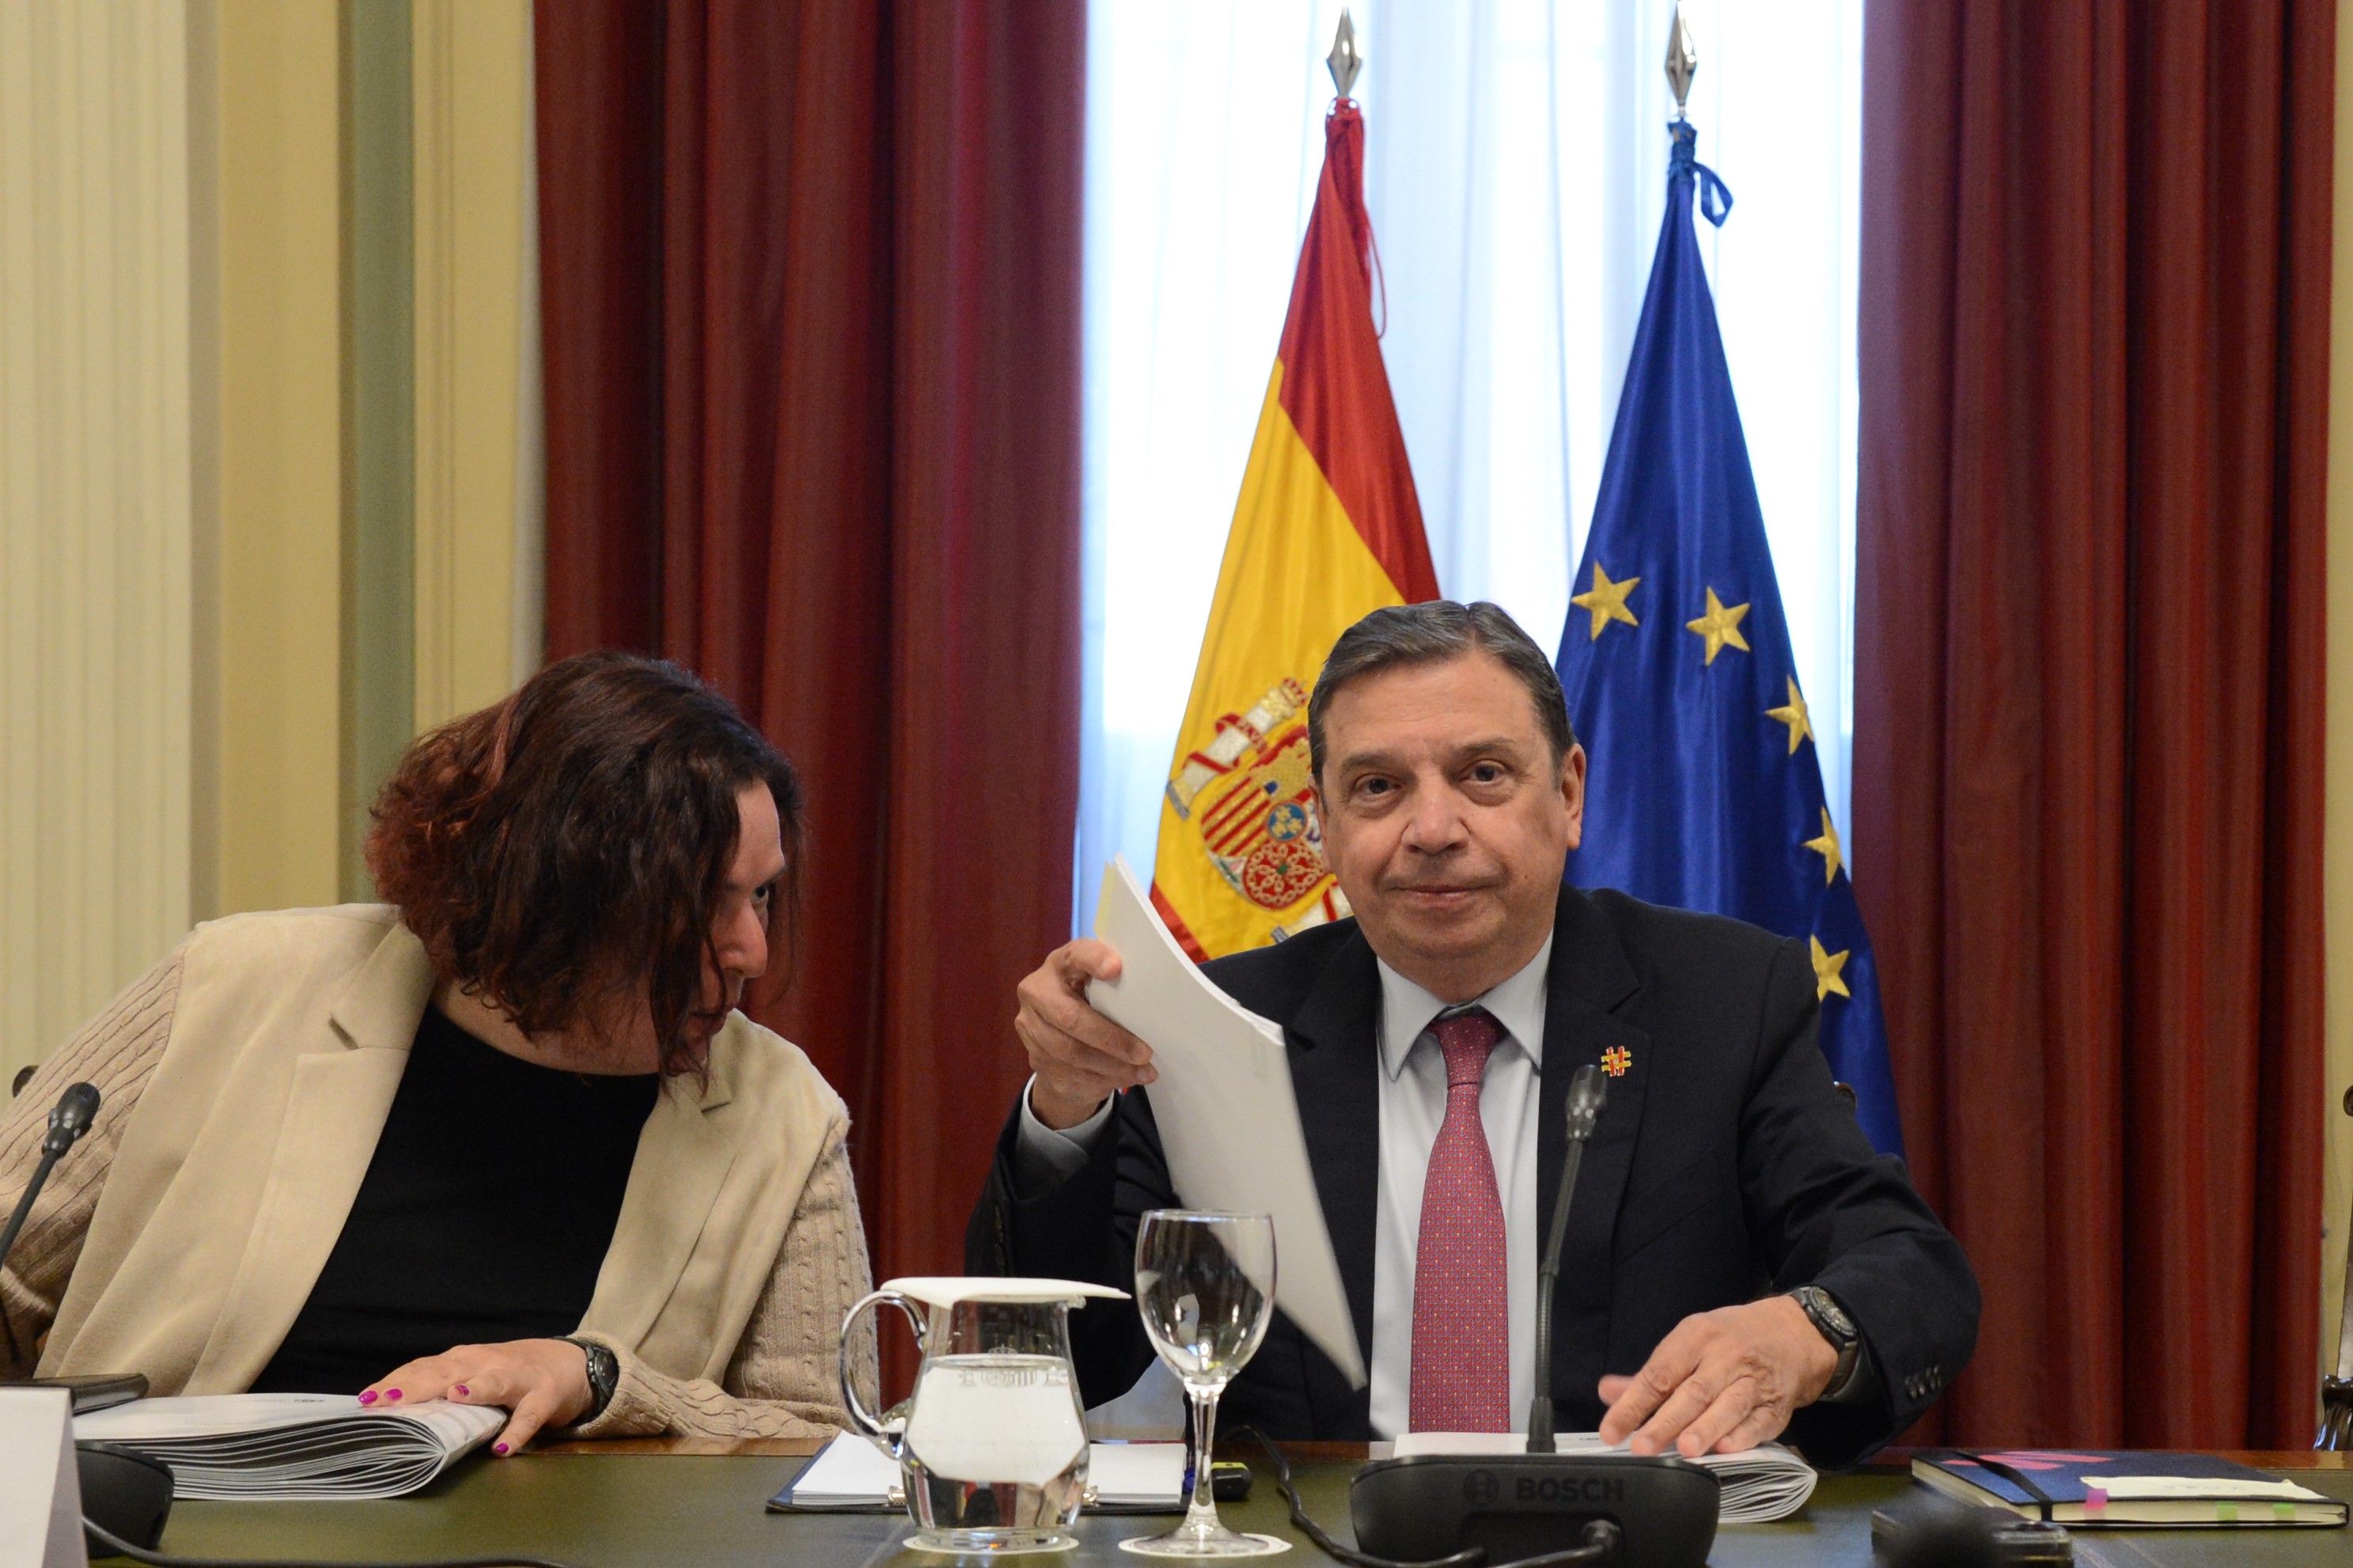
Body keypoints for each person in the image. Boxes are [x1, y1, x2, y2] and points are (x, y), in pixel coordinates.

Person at [968, 601, 1977, 1467]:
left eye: (1483, 773)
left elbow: (1911, 1267)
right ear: (1321, 825)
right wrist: (1068, 1108)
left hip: (1619, 1539)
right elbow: (1067, 1356)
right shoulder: (1220, 1020)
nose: (1432, 828)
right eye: (1377, 786)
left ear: (1568, 794)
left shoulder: (1719, 999)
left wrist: (1805, 1330)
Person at [0, 652, 873, 1451]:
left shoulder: (781, 1115)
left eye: (762, 895)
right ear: (555, 897)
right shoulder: (232, 987)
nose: (752, 951)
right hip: (166, 1527)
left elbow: (833, 1447)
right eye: (702, 904)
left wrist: (605, 1383)